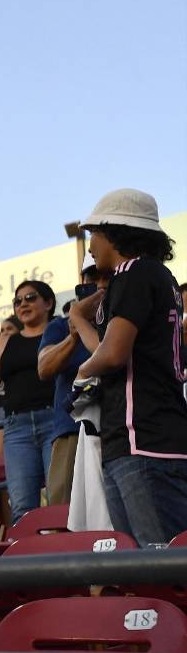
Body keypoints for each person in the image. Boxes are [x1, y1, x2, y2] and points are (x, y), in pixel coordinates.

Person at [70, 189, 186, 546]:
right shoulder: (154, 274)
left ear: (115, 232)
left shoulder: (133, 272)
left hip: (144, 439)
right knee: (141, 561)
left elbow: (112, 355)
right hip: (138, 439)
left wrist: (82, 372)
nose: (91, 245)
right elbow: (109, 350)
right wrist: (79, 319)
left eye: (94, 233)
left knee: (159, 563)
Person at [0, 281, 57, 524]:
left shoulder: (60, 331)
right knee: (22, 507)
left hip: (56, 422)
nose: (23, 304)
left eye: (30, 297)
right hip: (17, 428)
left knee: (61, 502)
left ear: (48, 303)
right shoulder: (3, 342)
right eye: (17, 301)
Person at [37, 259, 104, 505]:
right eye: (92, 278)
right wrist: (75, 332)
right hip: (72, 429)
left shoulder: (127, 317)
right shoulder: (59, 326)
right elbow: (44, 368)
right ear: (82, 283)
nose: (100, 284)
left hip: (121, 427)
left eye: (106, 276)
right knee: (63, 512)